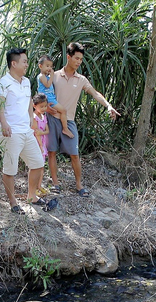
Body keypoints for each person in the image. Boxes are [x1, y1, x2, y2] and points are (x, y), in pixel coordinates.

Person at [46, 42, 120, 198]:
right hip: (52, 119)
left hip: (69, 121)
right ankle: (55, 184)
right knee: (52, 152)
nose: (79, 62)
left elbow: (95, 93)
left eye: (81, 59)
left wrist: (108, 105)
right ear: (68, 57)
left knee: (74, 154)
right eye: (76, 58)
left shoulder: (81, 79)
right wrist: (45, 108)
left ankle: (79, 185)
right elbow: (42, 94)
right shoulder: (54, 76)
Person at [0, 48, 46, 214]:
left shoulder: (25, 81)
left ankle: (31, 196)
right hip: (11, 132)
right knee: (10, 170)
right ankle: (13, 203)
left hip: (26, 131)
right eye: (24, 61)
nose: (26, 64)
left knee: (38, 163)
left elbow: (29, 100)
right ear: (13, 63)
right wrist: (4, 124)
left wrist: (31, 120)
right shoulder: (4, 82)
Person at [37, 55, 73, 138]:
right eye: (47, 66)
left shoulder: (45, 76)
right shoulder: (41, 76)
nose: (49, 68)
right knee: (63, 111)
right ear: (40, 66)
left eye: (51, 66)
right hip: (48, 98)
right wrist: (52, 75)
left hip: (50, 97)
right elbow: (47, 84)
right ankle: (65, 128)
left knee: (60, 111)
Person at [32, 92, 50, 197]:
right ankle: (34, 188)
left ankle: (39, 186)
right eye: (41, 106)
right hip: (37, 144)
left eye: (45, 106)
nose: (43, 108)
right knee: (36, 167)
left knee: (42, 166)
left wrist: (42, 133)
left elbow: (46, 130)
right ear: (34, 105)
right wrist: (40, 146)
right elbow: (36, 132)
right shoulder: (34, 117)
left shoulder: (44, 116)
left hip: (43, 143)